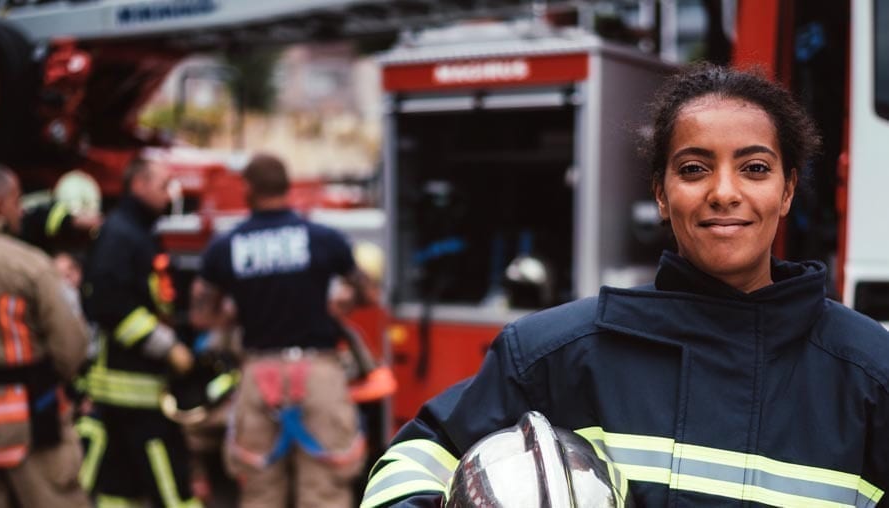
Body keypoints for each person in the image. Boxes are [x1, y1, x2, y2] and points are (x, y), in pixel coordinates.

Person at [361, 63, 889, 508]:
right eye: (694, 169)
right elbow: (414, 461)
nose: (724, 193)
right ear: (662, 194)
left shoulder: (871, 373)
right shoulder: (553, 356)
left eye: (754, 168)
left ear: (788, 189)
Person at [190, 152, 377, 508]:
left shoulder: (227, 247)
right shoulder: (323, 239)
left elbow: (202, 314)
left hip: (259, 373)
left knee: (260, 490)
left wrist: (232, 314)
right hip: (319, 373)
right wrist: (341, 302)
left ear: (248, 189)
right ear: (287, 187)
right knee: (325, 491)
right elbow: (368, 292)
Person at [0, 162, 91, 507]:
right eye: (16, 199)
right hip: (29, 425)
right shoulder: (28, 265)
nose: (20, 209)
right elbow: (71, 346)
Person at [79, 157, 200, 507]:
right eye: (163, 186)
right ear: (139, 186)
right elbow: (109, 304)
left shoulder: (136, 232)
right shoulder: (121, 235)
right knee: (174, 491)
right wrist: (168, 348)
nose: (170, 195)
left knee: (120, 492)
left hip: (131, 397)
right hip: (135, 395)